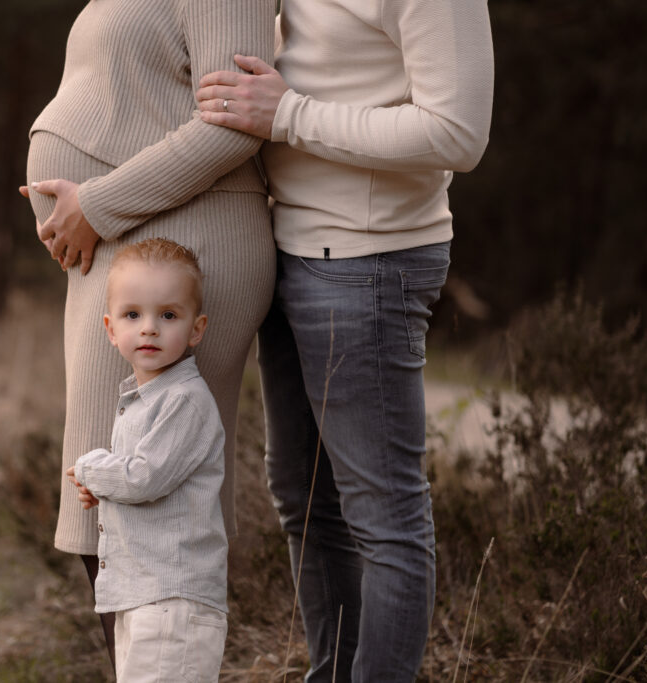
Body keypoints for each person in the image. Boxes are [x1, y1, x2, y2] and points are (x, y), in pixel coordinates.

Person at [195, 1, 494, 680]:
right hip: (287, 248)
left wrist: (289, 114)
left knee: (382, 512)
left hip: (369, 260)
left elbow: (458, 133)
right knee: (301, 493)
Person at [20, 0, 275, 666]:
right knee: (104, 514)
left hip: (180, 245)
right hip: (130, 244)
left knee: (145, 510)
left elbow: (231, 126)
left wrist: (96, 204)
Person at [66, 238, 229, 682]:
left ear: (196, 329)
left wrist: (91, 469)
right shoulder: (142, 401)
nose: (150, 328)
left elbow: (143, 479)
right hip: (145, 597)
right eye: (133, 315)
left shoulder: (184, 401)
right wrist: (105, 488)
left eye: (169, 315)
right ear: (110, 328)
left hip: (173, 602)